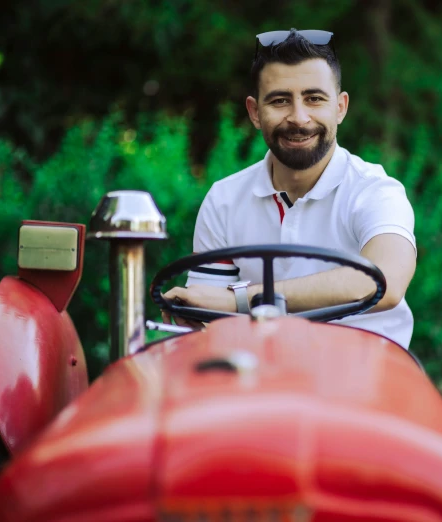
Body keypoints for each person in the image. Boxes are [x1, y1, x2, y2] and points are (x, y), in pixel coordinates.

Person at [162, 29, 417, 349]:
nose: (299, 118)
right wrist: (196, 315)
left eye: (314, 98)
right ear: (255, 112)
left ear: (340, 107)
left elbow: (386, 283)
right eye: (280, 100)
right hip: (259, 380)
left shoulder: (375, 192)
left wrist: (243, 299)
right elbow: (207, 313)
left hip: (367, 382)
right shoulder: (224, 200)